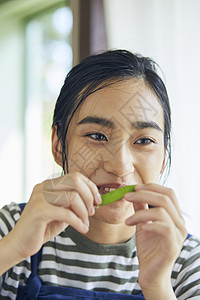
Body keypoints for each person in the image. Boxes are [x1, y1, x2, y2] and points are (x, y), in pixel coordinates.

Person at [0, 49, 200, 300]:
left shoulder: (187, 262)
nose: (120, 165)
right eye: (97, 136)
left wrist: (157, 285)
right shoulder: (11, 227)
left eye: (144, 140)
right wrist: (14, 247)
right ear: (58, 146)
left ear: (163, 157)